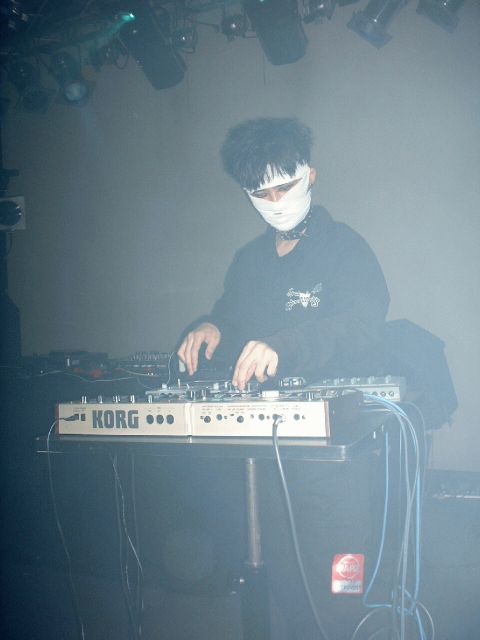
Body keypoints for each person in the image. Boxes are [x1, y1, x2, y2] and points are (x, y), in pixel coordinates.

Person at [177, 117, 390, 387]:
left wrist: (285, 346)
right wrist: (214, 328)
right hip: (263, 399)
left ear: (310, 176)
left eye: (284, 188)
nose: (275, 202)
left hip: (340, 395)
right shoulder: (248, 260)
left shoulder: (345, 247)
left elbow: (362, 326)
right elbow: (234, 321)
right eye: (262, 194)